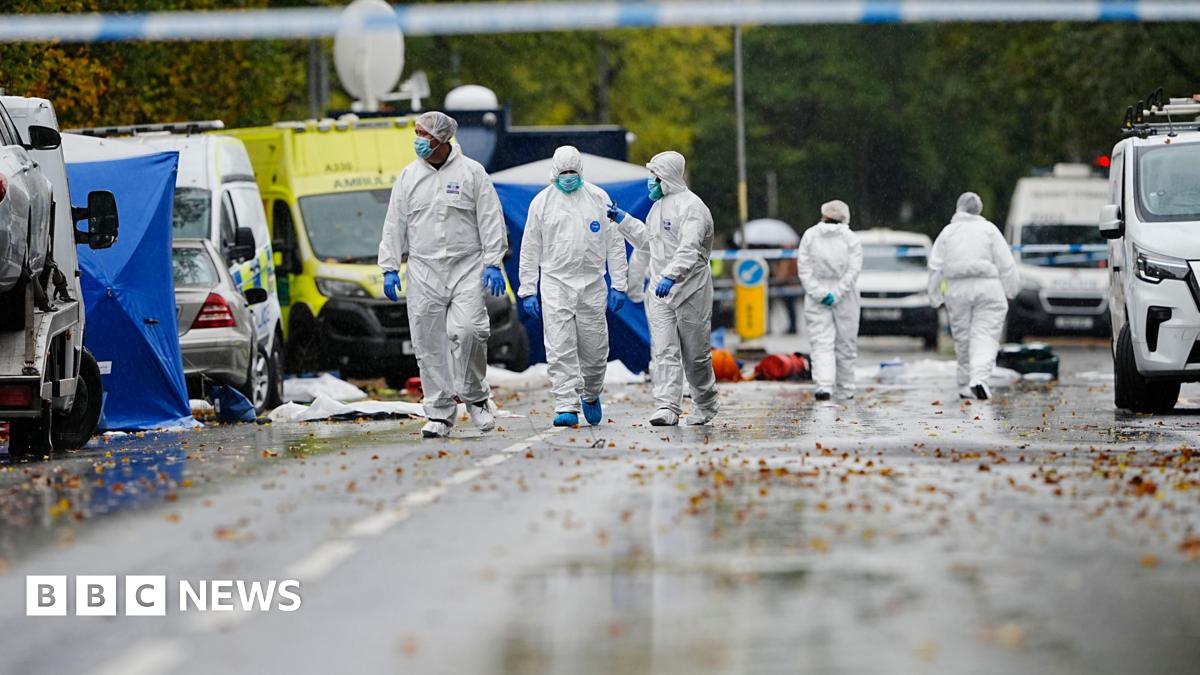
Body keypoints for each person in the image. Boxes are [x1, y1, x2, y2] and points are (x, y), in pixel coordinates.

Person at [378, 111, 508, 438]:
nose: (417, 139)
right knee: (428, 341)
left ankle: (477, 398)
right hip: (424, 269)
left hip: (467, 266)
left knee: (469, 332)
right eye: (416, 132)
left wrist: (493, 261)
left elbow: (490, 218)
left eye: (422, 133)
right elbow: (395, 224)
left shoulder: (472, 173)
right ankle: (439, 413)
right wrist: (390, 267)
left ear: (440, 138)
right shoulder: (408, 177)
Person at [607, 150, 720, 426]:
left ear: (666, 178)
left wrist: (672, 275)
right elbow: (649, 243)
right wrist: (623, 220)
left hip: (690, 289)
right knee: (663, 350)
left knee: (695, 353)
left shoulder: (692, 207)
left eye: (653, 177)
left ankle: (704, 404)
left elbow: (690, 249)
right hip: (660, 291)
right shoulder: (657, 208)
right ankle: (667, 405)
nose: (650, 183)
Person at [518, 146, 629, 427]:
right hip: (555, 281)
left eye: (573, 172)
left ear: (581, 171)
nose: (569, 177)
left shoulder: (598, 198)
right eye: (564, 173)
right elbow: (530, 248)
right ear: (555, 172)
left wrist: (619, 283)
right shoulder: (541, 203)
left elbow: (614, 243)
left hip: (592, 282)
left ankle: (591, 393)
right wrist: (528, 288)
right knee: (559, 345)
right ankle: (565, 402)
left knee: (595, 348)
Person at [927, 192, 1020, 400]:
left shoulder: (948, 232)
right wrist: (1011, 289)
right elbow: (1007, 263)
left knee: (963, 337)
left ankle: (963, 384)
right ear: (979, 209)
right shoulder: (989, 230)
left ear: (958, 208)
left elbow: (935, 266)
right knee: (985, 335)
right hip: (989, 288)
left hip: (957, 289)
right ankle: (979, 379)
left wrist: (934, 296)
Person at [797, 200, 862, 401]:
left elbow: (804, 268)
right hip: (846, 295)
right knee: (846, 343)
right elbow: (853, 270)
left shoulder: (810, 235)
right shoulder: (851, 238)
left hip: (816, 294)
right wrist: (839, 292)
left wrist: (820, 293)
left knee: (820, 342)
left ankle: (823, 386)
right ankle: (846, 388)